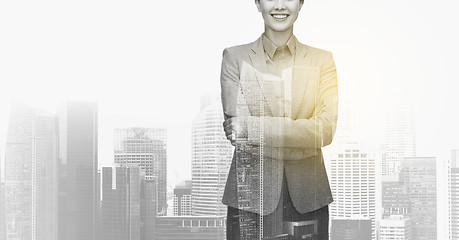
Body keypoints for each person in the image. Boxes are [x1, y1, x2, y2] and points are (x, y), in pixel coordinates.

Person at [220, 0, 338, 239]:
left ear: (301, 3)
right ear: (257, 3)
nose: (280, 5)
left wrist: (255, 128)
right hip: (249, 199)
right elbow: (237, 130)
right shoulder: (235, 57)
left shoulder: (322, 61)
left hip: (308, 198)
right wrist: (300, 135)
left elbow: (324, 131)